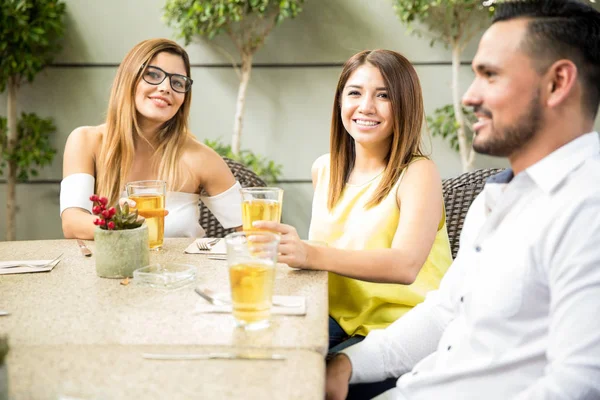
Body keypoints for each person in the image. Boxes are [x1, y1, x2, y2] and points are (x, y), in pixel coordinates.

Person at [325, 1, 600, 399]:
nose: (470, 96)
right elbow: (445, 313)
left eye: (490, 75)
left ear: (557, 83)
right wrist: (348, 365)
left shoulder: (587, 208)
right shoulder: (496, 198)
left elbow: (577, 386)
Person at [254, 50, 453, 353]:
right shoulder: (325, 169)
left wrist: (310, 254)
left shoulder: (418, 172)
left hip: (402, 330)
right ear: (340, 101)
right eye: (355, 93)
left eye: (384, 96)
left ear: (405, 105)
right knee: (257, 351)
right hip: (334, 320)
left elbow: (405, 265)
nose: (366, 107)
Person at [60, 38, 242, 239]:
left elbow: (254, 230)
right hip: (106, 269)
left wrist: (281, 241)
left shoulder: (200, 157)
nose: (166, 88)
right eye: (153, 75)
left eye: (177, 82)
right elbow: (72, 223)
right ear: (129, 78)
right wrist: (123, 224)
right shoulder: (86, 141)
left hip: (183, 270)